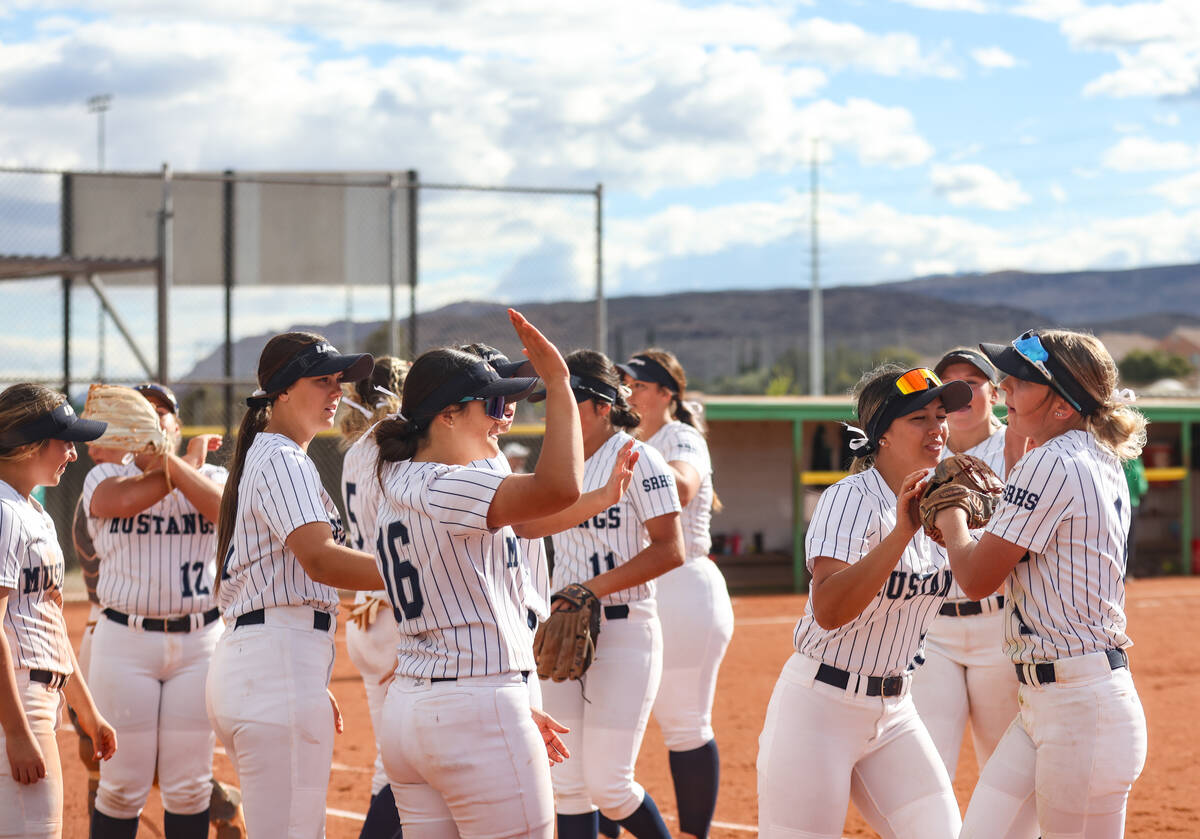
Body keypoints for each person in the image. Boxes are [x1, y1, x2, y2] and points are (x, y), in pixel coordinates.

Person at [372, 310, 581, 838]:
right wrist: (558, 385)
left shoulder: (396, 478)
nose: (500, 416)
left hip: (413, 710)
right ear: (446, 415)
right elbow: (560, 487)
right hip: (473, 708)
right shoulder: (447, 486)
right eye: (490, 404)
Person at [937, 329, 1149, 838]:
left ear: (1060, 405)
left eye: (1022, 378)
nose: (1006, 384)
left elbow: (976, 577)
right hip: (1052, 701)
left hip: (1080, 708)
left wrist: (950, 510)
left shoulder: (1050, 461)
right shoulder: (1091, 451)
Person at [756, 365, 971, 839]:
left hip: (896, 711)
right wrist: (901, 533)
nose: (936, 428)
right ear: (882, 435)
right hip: (818, 710)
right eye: (919, 418)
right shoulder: (849, 499)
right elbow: (829, 609)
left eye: (941, 415)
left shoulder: (946, 504)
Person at [205, 333, 387, 839]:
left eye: (338, 381)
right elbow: (319, 559)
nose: (336, 391)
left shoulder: (271, 455)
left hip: (268, 662)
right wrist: (415, 569)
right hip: (272, 666)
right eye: (322, 380)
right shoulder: (283, 459)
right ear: (283, 390)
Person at [520, 349, 685, 839]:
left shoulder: (639, 457)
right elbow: (526, 528)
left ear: (598, 405)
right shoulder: (557, 467)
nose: (553, 414)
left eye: (563, 401)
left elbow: (670, 550)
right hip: (563, 627)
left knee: (610, 786)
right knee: (567, 785)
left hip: (625, 628)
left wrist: (587, 590)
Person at [80, 384, 226, 839]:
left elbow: (224, 512)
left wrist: (182, 464)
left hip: (200, 642)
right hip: (126, 642)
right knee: (122, 788)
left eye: (162, 413)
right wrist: (184, 463)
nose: (152, 418)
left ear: (178, 427)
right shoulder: (102, 477)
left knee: (189, 788)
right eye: (142, 412)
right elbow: (119, 503)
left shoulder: (216, 477)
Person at [618, 349, 733, 839]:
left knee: (684, 722)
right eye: (623, 383)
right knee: (614, 716)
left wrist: (628, 463)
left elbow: (682, 489)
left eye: (639, 385)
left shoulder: (679, 436)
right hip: (639, 588)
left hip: (685, 586)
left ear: (668, 393)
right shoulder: (625, 440)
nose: (629, 392)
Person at [0, 384, 117, 838]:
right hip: (19, 698)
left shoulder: (32, 511)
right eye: (65, 441)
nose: (73, 453)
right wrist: (16, 731)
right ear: (30, 442)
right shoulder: (5, 511)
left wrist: (87, 711)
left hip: (40, 694)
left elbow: (49, 624)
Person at [909, 349, 1024, 788]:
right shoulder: (921, 450)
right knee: (924, 766)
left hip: (1000, 626)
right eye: (952, 382)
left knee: (1003, 772)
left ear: (995, 393)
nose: (963, 391)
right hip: (933, 630)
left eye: (974, 381)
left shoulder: (1018, 445)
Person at [338, 356, 409, 839]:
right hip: (397, 613)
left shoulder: (354, 449)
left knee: (395, 760)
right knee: (403, 765)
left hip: (365, 618)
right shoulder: (399, 448)